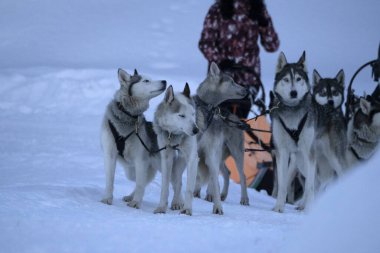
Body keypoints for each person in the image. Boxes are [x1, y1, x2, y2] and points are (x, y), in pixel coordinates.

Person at [198, 0, 280, 118]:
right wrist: (220, 61)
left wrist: (264, 24)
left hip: (249, 80)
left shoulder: (258, 9)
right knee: (218, 122)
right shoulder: (217, 9)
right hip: (220, 82)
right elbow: (206, 43)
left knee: (240, 122)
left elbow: (272, 46)